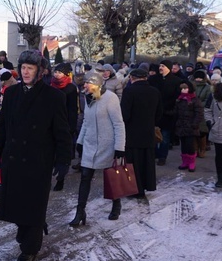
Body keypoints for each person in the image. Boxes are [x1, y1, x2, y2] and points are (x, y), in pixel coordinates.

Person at [0, 50, 71, 261]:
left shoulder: (54, 97)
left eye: (30, 68)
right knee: (16, 202)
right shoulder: (12, 93)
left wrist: (64, 160)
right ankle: (26, 229)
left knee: (33, 205)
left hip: (39, 160)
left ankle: (30, 248)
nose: (25, 72)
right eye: (23, 68)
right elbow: (3, 126)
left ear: (40, 71)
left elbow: (62, 132)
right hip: (14, 158)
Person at [70, 71, 126, 226]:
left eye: (87, 83)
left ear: (96, 84)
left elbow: (118, 124)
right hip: (90, 144)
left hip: (107, 144)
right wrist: (80, 142)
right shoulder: (87, 99)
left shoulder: (110, 98)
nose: (84, 86)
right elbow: (86, 123)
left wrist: (120, 147)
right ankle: (80, 212)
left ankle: (116, 204)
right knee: (85, 177)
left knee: (111, 177)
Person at [120, 68, 162, 198]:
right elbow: (159, 112)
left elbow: (124, 114)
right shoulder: (155, 91)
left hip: (132, 133)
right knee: (146, 161)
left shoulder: (129, 91)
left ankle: (134, 189)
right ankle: (145, 186)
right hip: (148, 131)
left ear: (132, 78)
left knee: (133, 162)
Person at [149, 60, 182, 166]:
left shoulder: (176, 81)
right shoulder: (153, 79)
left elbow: (177, 97)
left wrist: (171, 110)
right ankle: (154, 154)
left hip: (168, 113)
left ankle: (162, 156)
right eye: (160, 66)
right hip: (154, 112)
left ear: (168, 67)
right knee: (153, 135)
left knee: (165, 136)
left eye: (163, 66)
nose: (160, 68)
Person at [50, 62, 78, 191]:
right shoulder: (51, 85)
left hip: (64, 123)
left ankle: (60, 179)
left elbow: (73, 109)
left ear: (66, 74)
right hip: (50, 123)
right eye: (55, 71)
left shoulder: (71, 88)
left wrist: (71, 126)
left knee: (62, 154)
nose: (56, 74)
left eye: (59, 72)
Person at [174, 81, 204, 172]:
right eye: (182, 88)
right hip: (181, 125)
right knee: (183, 145)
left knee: (190, 145)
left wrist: (194, 124)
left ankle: (191, 162)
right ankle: (185, 161)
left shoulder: (194, 100)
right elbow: (176, 112)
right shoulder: (179, 99)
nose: (183, 90)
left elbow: (199, 113)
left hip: (190, 126)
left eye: (185, 88)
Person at [192, 70, 213, 158]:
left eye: (200, 78)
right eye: (197, 77)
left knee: (202, 132)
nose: (198, 79)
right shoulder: (191, 86)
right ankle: (195, 149)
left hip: (202, 111)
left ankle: (202, 149)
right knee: (193, 131)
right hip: (192, 110)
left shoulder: (208, 87)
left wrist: (198, 105)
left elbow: (208, 100)